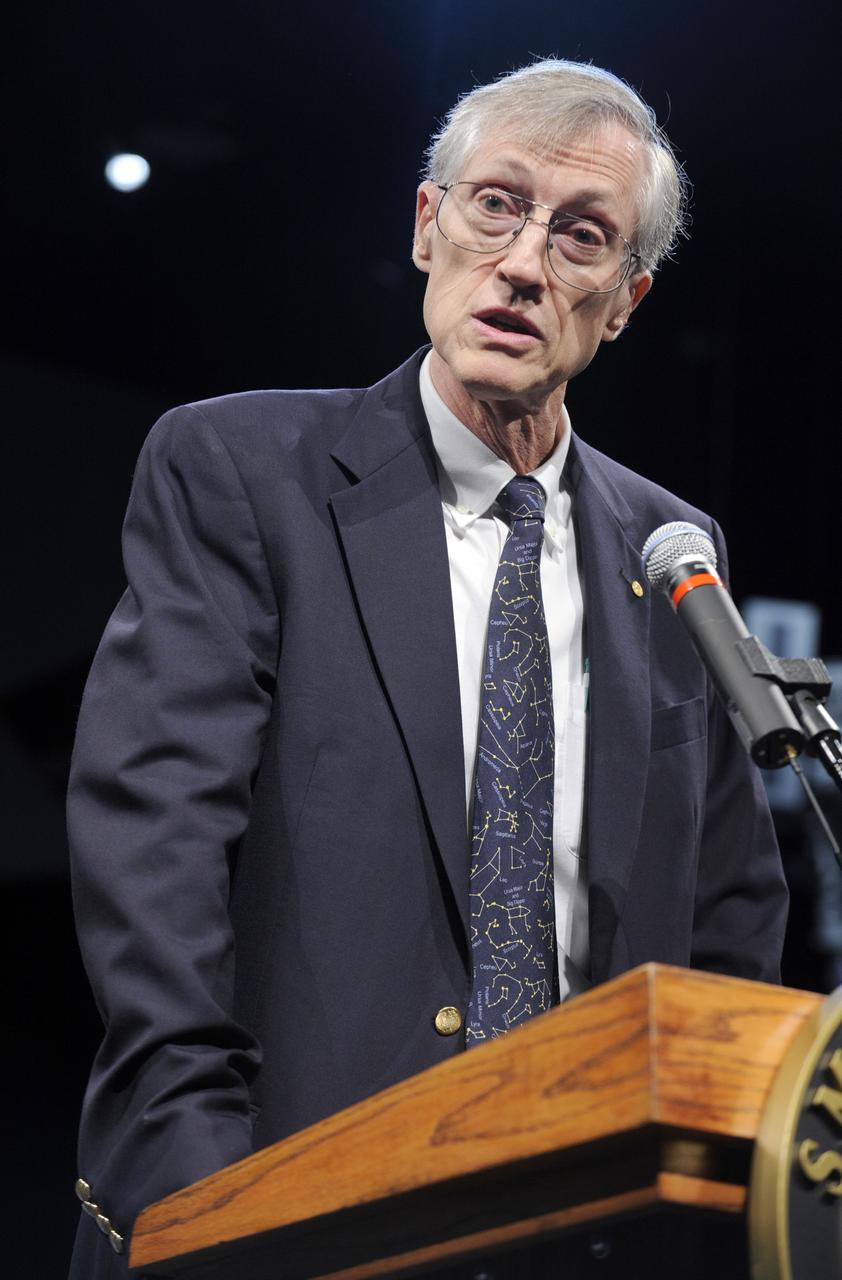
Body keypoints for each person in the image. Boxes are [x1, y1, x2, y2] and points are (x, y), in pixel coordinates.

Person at [68, 58, 788, 1277]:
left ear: (622, 300)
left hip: (588, 1221)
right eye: (494, 204)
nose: (521, 262)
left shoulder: (673, 555)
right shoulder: (241, 470)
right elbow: (156, 850)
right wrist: (206, 1189)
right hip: (283, 1205)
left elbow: (729, 916)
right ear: (426, 225)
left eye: (580, 237)